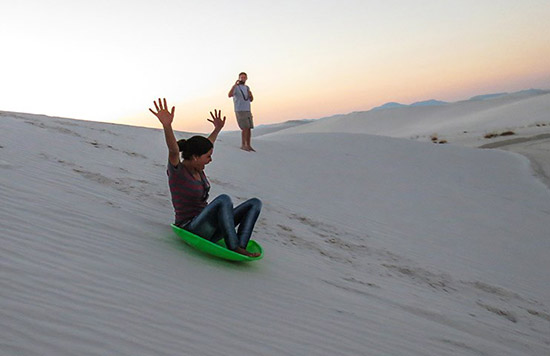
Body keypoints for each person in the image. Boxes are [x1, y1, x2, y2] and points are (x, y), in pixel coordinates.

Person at [149, 98, 262, 257]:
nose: (210, 160)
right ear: (195, 157)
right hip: (191, 227)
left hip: (209, 228)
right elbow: (174, 150)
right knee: (224, 199)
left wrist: (217, 129)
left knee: (255, 203)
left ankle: (240, 245)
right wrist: (167, 125)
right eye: (208, 157)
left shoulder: (199, 168)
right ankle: (234, 247)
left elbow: (207, 144)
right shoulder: (178, 172)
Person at [228, 72, 255, 151]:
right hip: (240, 110)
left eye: (244, 77)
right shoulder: (236, 87)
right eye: (241, 77)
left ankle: (248, 145)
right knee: (244, 128)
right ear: (239, 78)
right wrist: (234, 85)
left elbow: (251, 99)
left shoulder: (247, 88)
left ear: (246, 78)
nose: (243, 79)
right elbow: (229, 95)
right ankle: (243, 145)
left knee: (249, 128)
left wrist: (250, 94)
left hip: (247, 109)